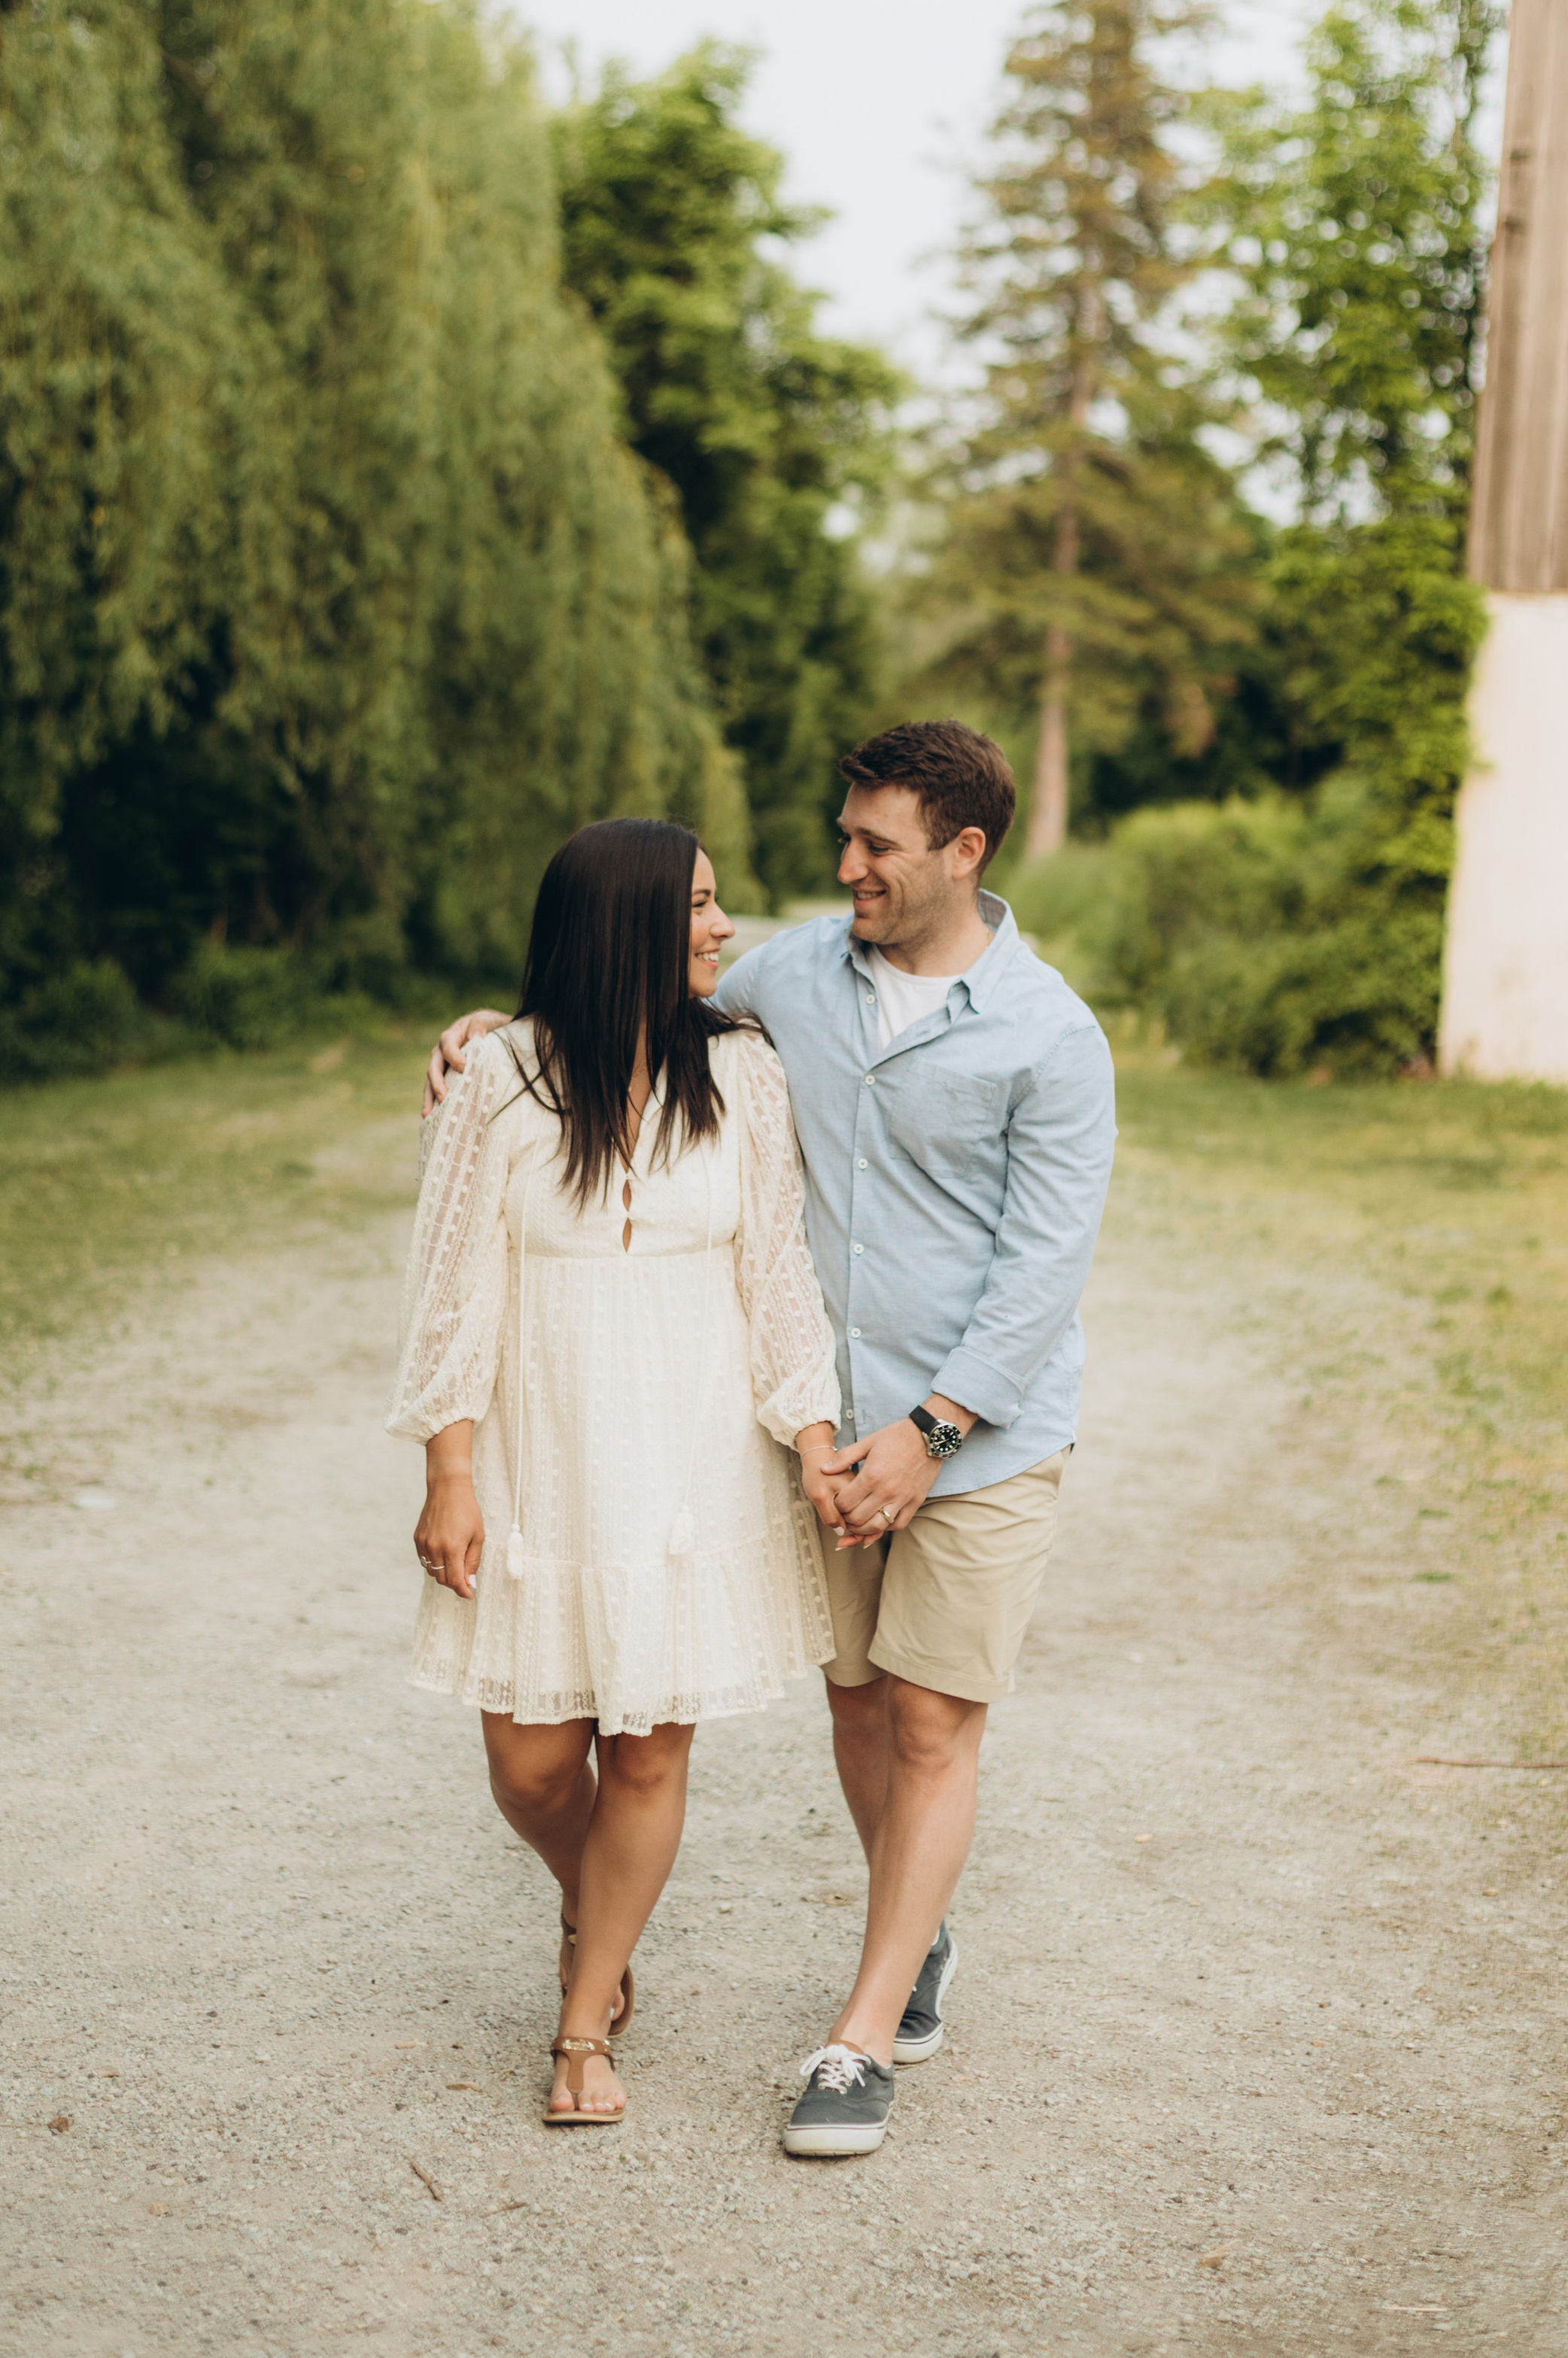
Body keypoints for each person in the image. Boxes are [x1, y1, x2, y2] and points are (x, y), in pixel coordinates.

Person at [429, 721, 1117, 2158]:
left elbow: (1041, 1273)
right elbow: (617, 997)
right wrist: (495, 1030)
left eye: (877, 844)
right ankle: (913, 1918)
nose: (846, 865)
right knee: (856, 1706)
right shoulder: (790, 980)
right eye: (846, 836)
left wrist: (933, 1431)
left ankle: (862, 2037)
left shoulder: (1051, 1035)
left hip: (975, 1435)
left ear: (964, 852)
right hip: (825, 1435)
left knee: (930, 1718)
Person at [390, 816, 839, 2126]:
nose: (724, 927)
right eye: (698, 905)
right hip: (542, 1454)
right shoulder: (499, 1078)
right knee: (533, 1766)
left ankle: (583, 2027)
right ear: (623, 920)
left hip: (694, 1459)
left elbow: (778, 1277)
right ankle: (594, 1903)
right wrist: (450, 1471)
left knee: (649, 1748)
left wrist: (814, 1440)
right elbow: (453, 1288)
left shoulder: (743, 1072)